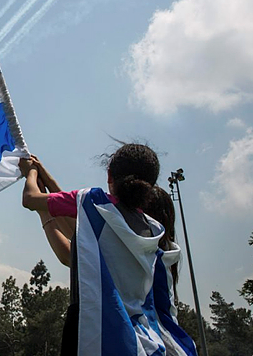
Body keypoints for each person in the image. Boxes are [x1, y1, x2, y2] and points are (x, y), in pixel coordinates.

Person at [21, 143, 196, 356]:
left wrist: (30, 173)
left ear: (109, 175)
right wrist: (46, 178)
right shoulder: (153, 229)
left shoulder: (94, 202)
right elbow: (81, 223)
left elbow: (32, 201)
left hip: (93, 322)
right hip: (138, 335)